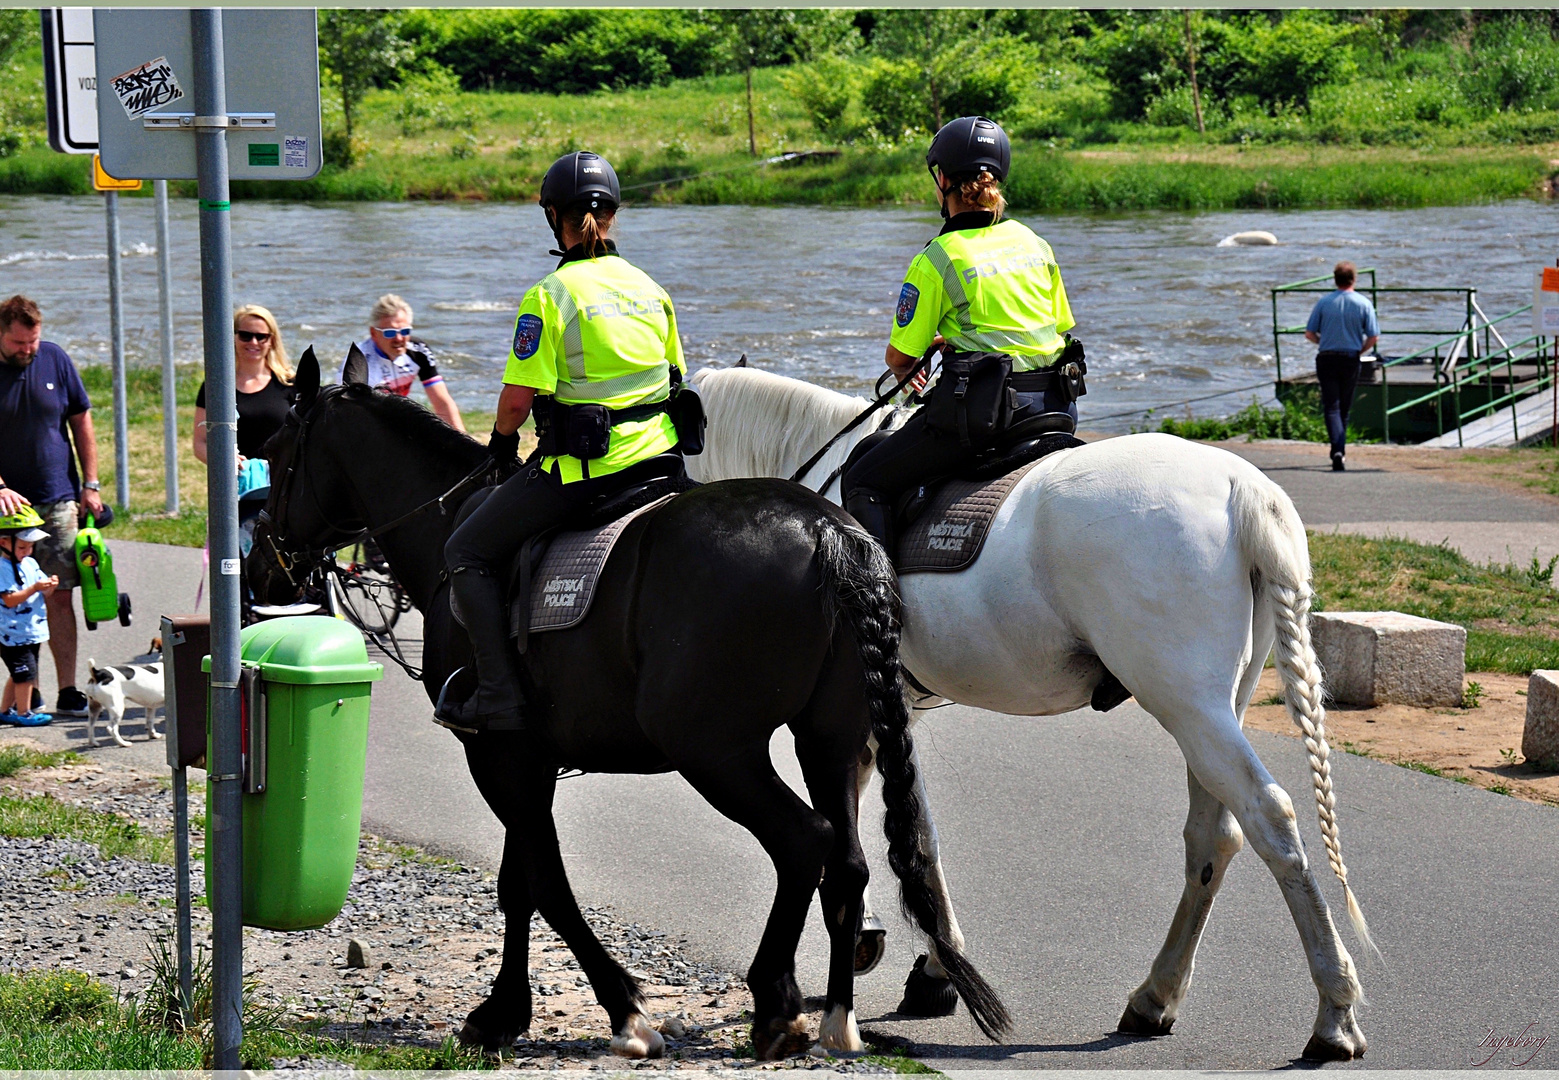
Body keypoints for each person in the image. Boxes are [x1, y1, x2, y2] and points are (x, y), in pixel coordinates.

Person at [436, 150, 687, 733]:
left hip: (587, 474)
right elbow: (673, 379)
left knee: (465, 553)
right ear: (613, 215)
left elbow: (517, 404)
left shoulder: (551, 295)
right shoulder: (653, 290)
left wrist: (500, 446)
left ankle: (499, 693)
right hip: (662, 465)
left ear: (554, 217)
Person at [841, 116, 1081, 553]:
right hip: (1056, 406)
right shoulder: (1034, 243)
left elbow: (899, 360)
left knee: (863, 478)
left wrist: (922, 358)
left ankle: (874, 607)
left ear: (945, 181)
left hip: (983, 421)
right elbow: (1050, 330)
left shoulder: (937, 258)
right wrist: (957, 341)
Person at [0, 295, 105, 718]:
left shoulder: (55, 359)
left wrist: (91, 485)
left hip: (58, 496)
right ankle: (29, 691)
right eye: (19, 343)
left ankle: (67, 689)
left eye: (33, 341)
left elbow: (81, 419)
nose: (28, 350)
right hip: (8, 509)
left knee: (58, 594)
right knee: (14, 597)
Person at [343, 294, 464, 431]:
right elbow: (352, 417)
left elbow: (442, 402)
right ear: (373, 333)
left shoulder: (418, 350)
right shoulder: (361, 362)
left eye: (405, 331)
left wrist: (464, 441)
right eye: (389, 333)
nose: (399, 338)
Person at [193, 305, 296, 466]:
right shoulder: (216, 386)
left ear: (272, 341)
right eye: (245, 335)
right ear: (232, 338)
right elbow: (200, 443)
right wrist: (225, 462)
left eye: (261, 337)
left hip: (286, 482)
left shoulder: (290, 383)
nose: (253, 342)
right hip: (239, 483)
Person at [1305, 261, 1379, 472]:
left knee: (1331, 406)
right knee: (1344, 407)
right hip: (1350, 357)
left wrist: (1325, 342)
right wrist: (1360, 350)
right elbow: (1373, 336)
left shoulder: (1324, 303)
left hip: (1327, 357)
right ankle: (1340, 450)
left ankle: (1337, 449)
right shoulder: (1363, 303)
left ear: (1335, 279)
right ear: (1353, 279)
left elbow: (1309, 333)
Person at [0, 506, 57, 726]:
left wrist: (50, 585)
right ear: (4, 542)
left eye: (31, 546)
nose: (28, 551)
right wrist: (34, 588)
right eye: (23, 546)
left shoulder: (30, 563)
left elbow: (44, 591)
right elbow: (9, 599)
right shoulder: (3, 568)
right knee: (26, 674)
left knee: (19, 673)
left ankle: (5, 710)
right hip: (12, 633)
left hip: (31, 630)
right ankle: (24, 713)